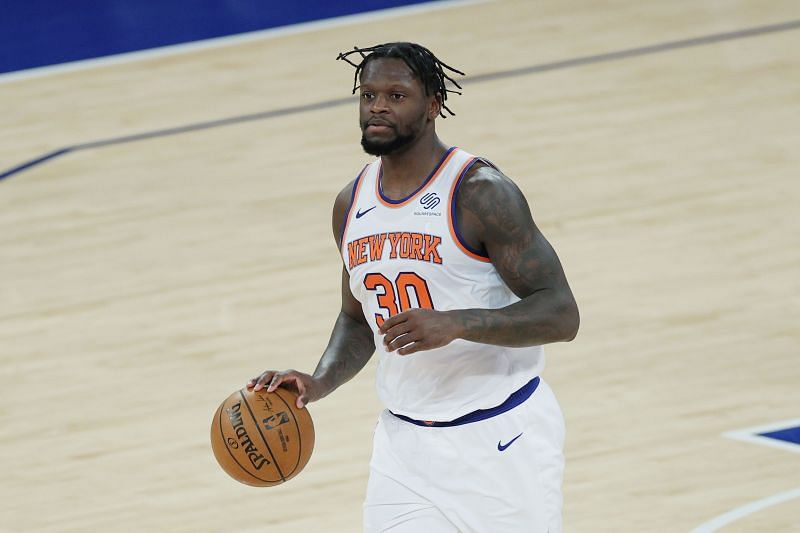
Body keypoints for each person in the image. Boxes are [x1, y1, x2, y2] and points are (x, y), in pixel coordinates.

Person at [248, 42, 579, 533]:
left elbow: (560, 314)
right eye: (369, 95)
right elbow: (357, 318)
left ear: (432, 106)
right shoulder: (352, 203)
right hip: (404, 449)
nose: (377, 106)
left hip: (500, 442)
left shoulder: (480, 192)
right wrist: (319, 381)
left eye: (396, 96)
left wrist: (457, 322)